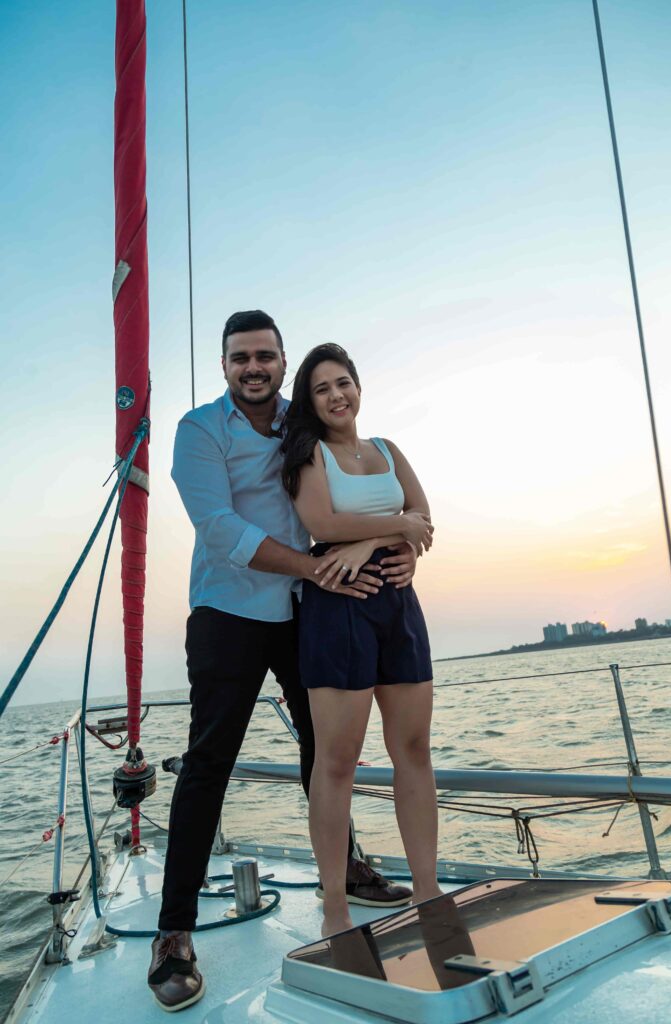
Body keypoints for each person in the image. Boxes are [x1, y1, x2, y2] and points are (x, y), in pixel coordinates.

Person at [147, 311, 430, 1012]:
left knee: (326, 751)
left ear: (281, 362)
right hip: (231, 612)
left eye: (265, 356)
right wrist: (317, 564)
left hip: (307, 612)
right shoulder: (199, 430)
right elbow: (220, 528)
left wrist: (398, 547)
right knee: (209, 760)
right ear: (224, 365)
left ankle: (348, 870)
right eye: (240, 357)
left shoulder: (300, 427)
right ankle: (174, 931)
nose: (254, 367)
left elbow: (357, 500)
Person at [281, 343, 441, 938]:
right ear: (311, 400)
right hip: (338, 605)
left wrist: (375, 544)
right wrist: (393, 528)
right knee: (338, 761)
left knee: (415, 750)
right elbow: (323, 525)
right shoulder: (308, 453)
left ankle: (427, 891)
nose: (336, 396)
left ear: (359, 387)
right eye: (322, 388)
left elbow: (424, 517)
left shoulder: (388, 450)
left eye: (343, 383)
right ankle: (335, 908)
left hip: (397, 606)